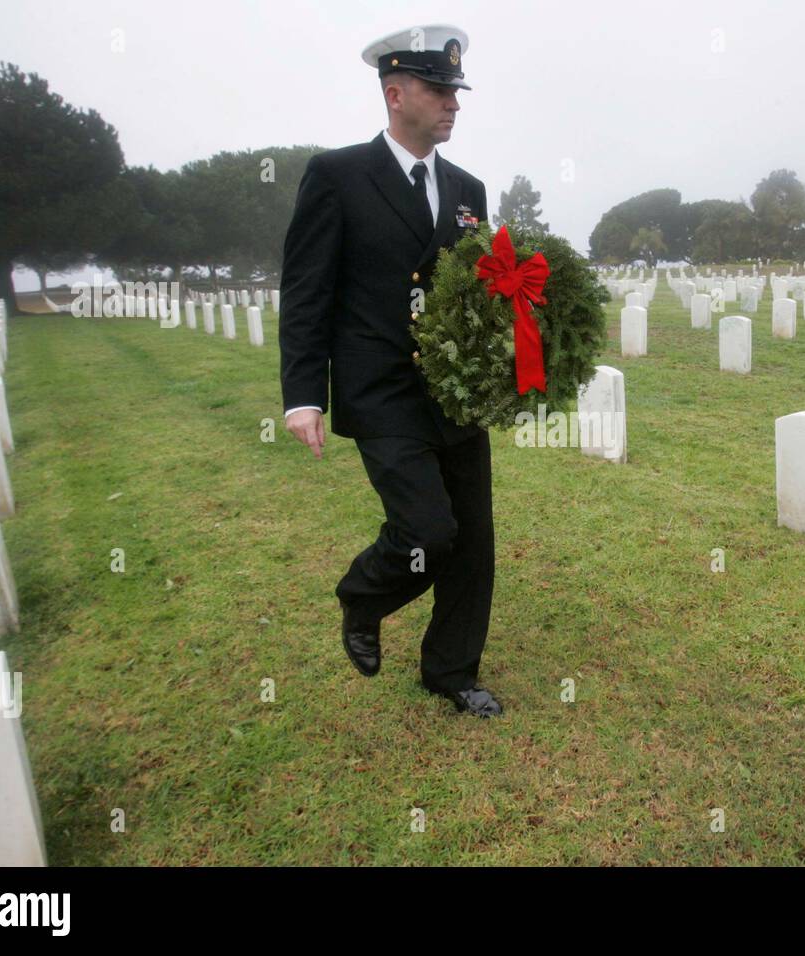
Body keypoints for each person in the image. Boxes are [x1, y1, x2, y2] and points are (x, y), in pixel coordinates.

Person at [278, 24, 501, 717]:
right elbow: (307, 289)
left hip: (454, 394)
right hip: (382, 392)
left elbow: (477, 290)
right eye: (439, 90)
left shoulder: (469, 189)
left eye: (455, 92)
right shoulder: (338, 176)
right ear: (395, 91)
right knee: (429, 531)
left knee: (474, 542)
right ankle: (363, 596)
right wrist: (303, 395)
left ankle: (452, 672)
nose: (453, 104)